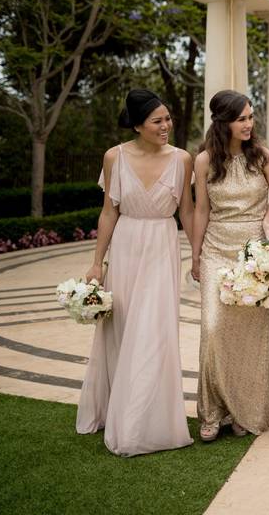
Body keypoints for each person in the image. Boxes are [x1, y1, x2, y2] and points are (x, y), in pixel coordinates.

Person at [76, 88, 194, 456]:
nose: (166, 126)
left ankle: (144, 422)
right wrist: (98, 262)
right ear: (138, 125)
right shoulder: (115, 157)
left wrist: (200, 254)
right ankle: (117, 410)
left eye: (168, 119)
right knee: (123, 329)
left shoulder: (182, 159)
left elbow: (186, 211)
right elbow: (109, 211)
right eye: (158, 121)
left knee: (154, 330)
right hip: (126, 245)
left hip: (162, 244)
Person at [191, 89, 269, 442]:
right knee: (213, 330)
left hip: (255, 253)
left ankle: (244, 410)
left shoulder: (264, 157)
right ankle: (212, 411)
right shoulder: (203, 161)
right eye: (241, 118)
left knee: (250, 337)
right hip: (217, 248)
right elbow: (201, 210)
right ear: (223, 122)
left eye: (250, 116)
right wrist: (196, 253)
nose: (249, 124)